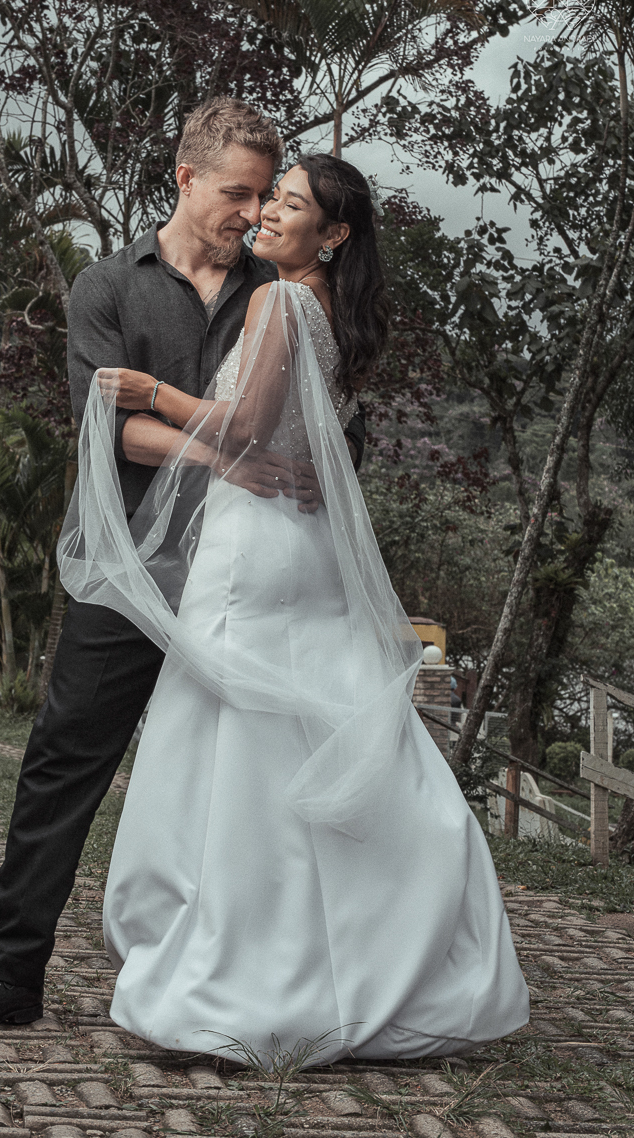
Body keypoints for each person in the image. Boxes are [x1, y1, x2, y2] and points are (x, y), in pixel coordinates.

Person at [56, 154, 530, 1063]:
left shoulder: (279, 302)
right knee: (297, 740)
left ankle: (239, 973)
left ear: (334, 233)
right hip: (296, 545)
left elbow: (241, 425)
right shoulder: (332, 313)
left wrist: (147, 389)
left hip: (255, 549)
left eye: (290, 204)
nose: (267, 213)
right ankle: (342, 962)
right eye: (268, 198)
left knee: (239, 754)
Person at [0, 98, 367, 1033]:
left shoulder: (279, 289)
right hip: (136, 568)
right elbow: (107, 424)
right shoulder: (107, 287)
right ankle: (10, 979)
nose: (251, 214)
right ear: (183, 177)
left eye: (263, 197)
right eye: (236, 194)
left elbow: (322, 422)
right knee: (64, 760)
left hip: (248, 582)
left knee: (255, 780)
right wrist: (225, 455)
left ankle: (276, 978)